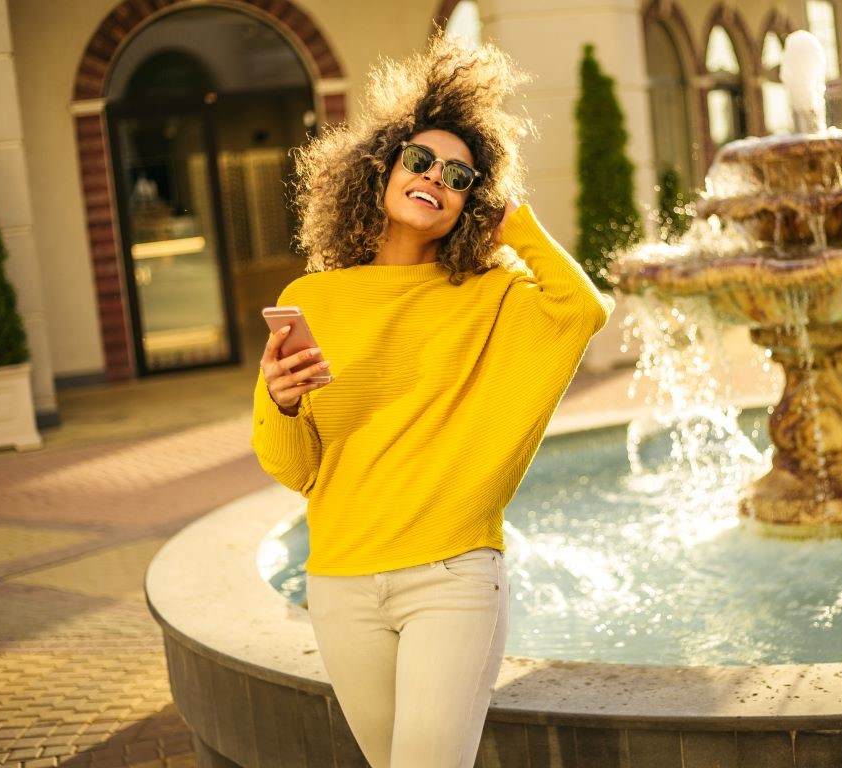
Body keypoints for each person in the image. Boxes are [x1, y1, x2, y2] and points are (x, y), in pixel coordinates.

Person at [251, 31, 614, 768]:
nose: (435, 177)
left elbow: (581, 310)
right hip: (341, 581)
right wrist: (282, 407)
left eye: (460, 175)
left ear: (471, 202)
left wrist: (517, 224)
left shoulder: (491, 294)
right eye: (419, 159)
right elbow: (294, 470)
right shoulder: (310, 297)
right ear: (380, 169)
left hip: (452, 578)